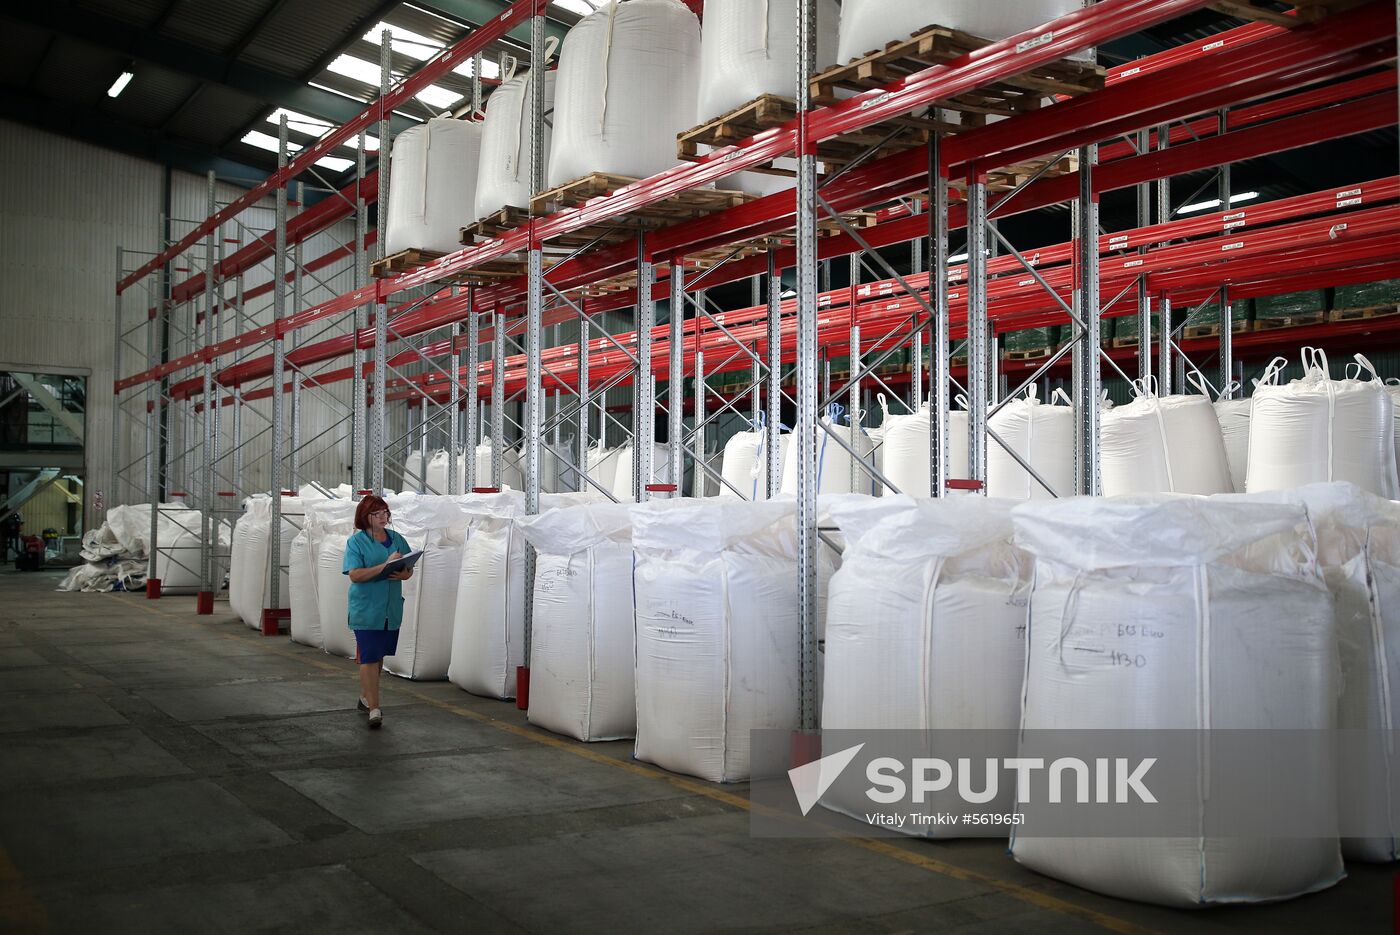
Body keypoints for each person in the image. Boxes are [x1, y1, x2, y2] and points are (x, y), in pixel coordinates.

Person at [343, 496, 413, 729]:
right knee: (370, 657)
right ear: (366, 517)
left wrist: (405, 574)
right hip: (366, 609)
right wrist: (384, 566)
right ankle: (375, 708)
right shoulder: (357, 543)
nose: (384, 517)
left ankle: (366, 699)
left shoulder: (396, 539)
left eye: (385, 512)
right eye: (378, 514)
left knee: (378, 656)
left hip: (390, 609)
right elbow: (354, 574)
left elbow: (408, 567)